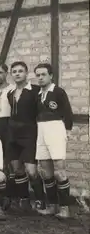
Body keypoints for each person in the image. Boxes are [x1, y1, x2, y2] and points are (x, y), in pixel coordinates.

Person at [34, 63, 73, 219]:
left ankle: (65, 208)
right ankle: (52, 206)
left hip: (56, 128)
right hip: (41, 129)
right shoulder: (38, 94)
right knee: (45, 171)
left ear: (51, 76)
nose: (40, 78)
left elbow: (68, 113)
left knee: (59, 171)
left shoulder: (58, 92)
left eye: (43, 74)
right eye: (37, 75)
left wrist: (67, 132)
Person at [6, 61, 45, 212]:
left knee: (31, 170)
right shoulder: (10, 93)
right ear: (11, 74)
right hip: (13, 134)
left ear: (27, 73)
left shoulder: (35, 91)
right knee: (17, 169)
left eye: (20, 71)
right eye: (14, 71)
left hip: (29, 134)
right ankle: (24, 200)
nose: (17, 74)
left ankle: (41, 199)